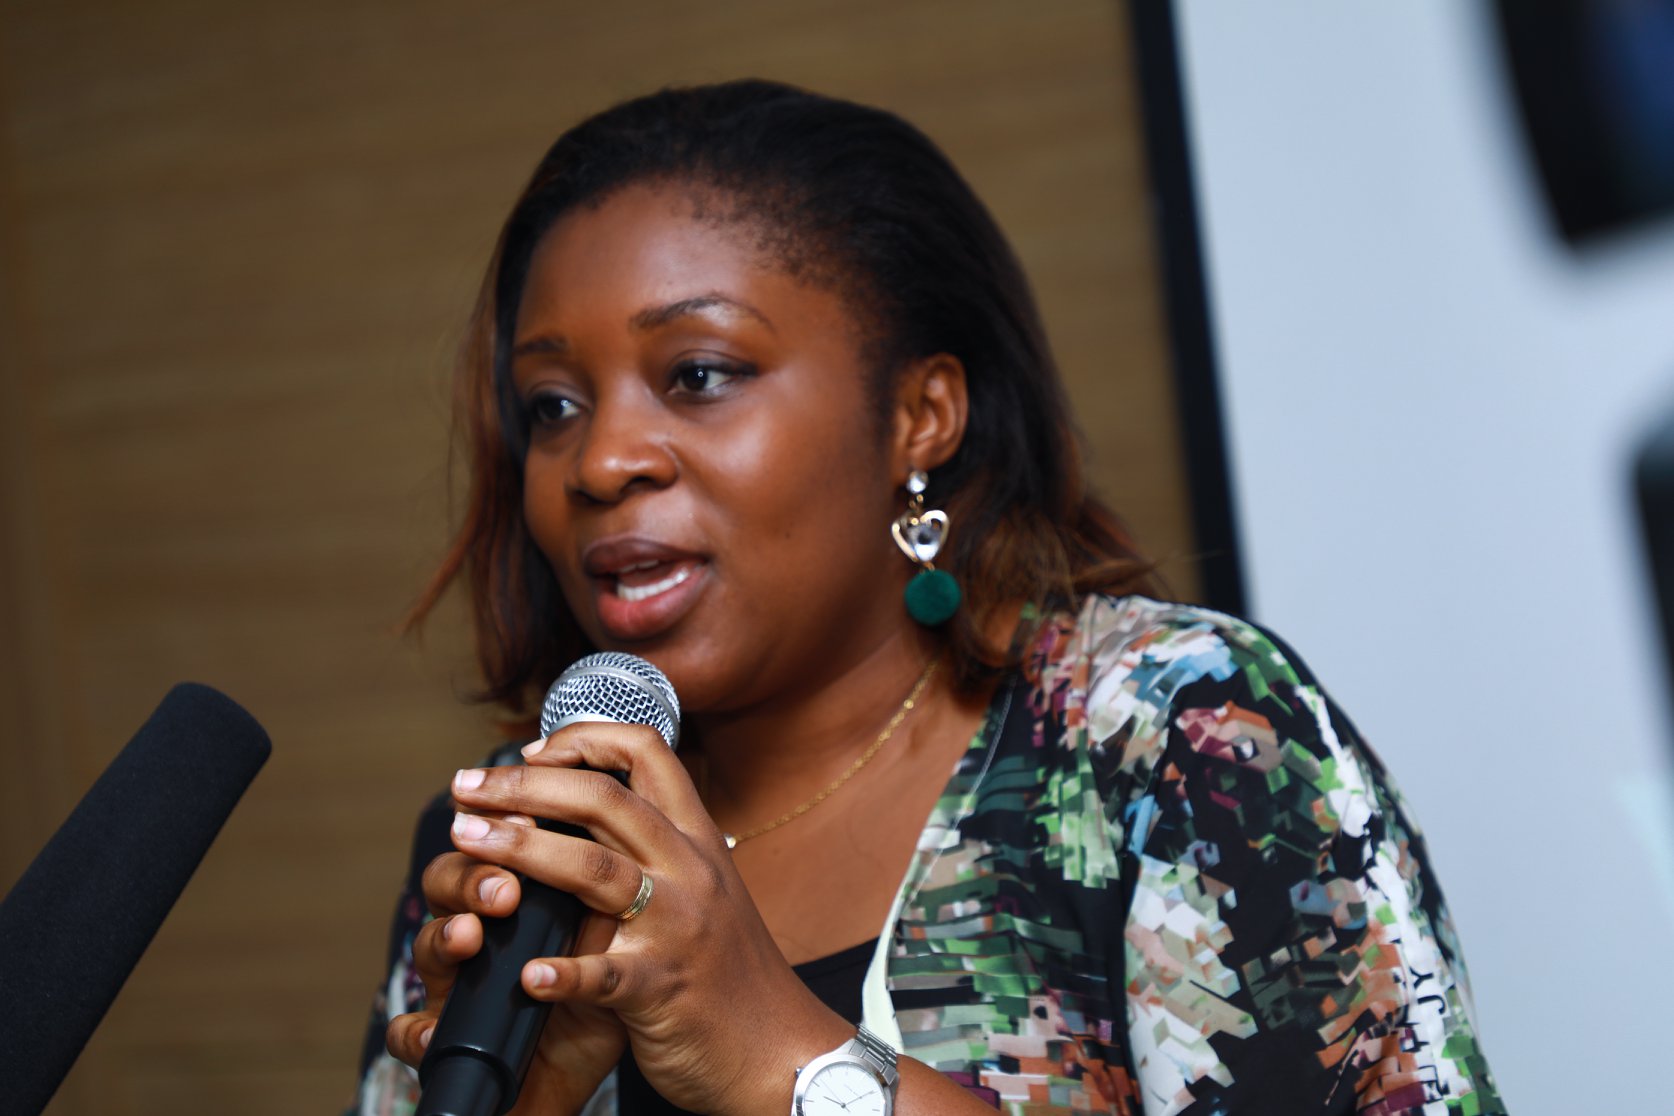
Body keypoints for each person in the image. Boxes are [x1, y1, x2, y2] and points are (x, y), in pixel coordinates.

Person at [352, 80, 1503, 1116]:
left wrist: (785, 1060)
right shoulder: (524, 833)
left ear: (921, 416)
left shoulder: (1176, 739)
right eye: (552, 406)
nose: (602, 461)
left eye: (698, 376)